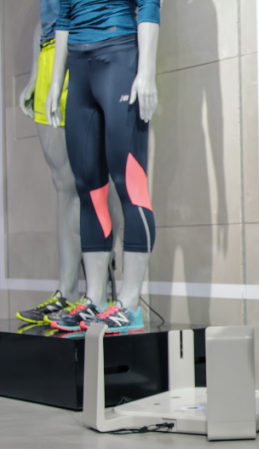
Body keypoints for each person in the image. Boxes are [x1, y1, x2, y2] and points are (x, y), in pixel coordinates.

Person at [45, 0, 161, 333]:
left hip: (120, 54)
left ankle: (129, 302)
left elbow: (149, 5)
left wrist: (147, 70)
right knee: (89, 188)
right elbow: (64, 17)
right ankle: (94, 298)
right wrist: (57, 82)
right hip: (78, 69)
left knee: (130, 182)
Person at [16, 0, 123, 329]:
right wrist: (36, 73)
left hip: (91, 46)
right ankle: (66, 291)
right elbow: (48, 17)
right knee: (64, 185)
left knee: (98, 183)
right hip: (51, 54)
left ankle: (107, 294)